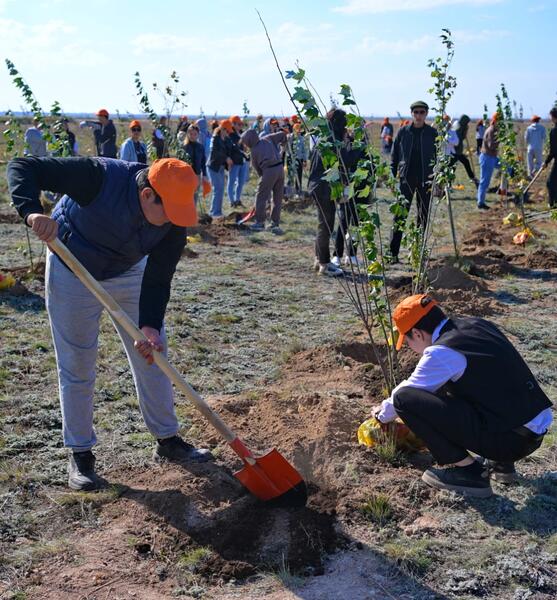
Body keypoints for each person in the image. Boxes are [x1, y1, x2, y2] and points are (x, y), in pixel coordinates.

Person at [7, 155, 212, 491]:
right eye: (168, 211)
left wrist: (149, 326)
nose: (173, 220)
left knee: (154, 354)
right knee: (77, 362)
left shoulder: (173, 221)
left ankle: (168, 440)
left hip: (128, 271)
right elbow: (23, 166)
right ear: (147, 194)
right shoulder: (98, 178)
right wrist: (31, 212)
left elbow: (159, 277)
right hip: (72, 266)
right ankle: (80, 455)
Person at [372, 295, 553, 497]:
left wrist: (380, 415)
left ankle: (470, 473)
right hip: (532, 431)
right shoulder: (478, 325)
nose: (410, 348)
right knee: (460, 383)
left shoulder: (442, 352)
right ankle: (502, 465)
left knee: (403, 399)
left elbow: (406, 392)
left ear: (417, 333)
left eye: (407, 341)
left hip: (510, 441)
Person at [307, 108, 361, 276]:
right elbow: (346, 160)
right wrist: (359, 147)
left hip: (318, 186)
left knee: (323, 225)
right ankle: (324, 264)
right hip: (324, 188)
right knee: (326, 226)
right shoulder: (333, 141)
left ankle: (319, 259)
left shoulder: (324, 138)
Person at [389, 100, 437, 262]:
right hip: (406, 179)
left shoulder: (432, 133)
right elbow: (394, 155)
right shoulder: (403, 132)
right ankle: (392, 253)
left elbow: (439, 157)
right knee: (400, 216)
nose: (418, 115)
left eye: (422, 112)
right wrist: (392, 175)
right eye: (416, 112)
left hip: (426, 180)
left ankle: (417, 254)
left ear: (426, 114)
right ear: (411, 114)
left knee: (422, 217)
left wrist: (437, 179)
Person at [240, 127, 286, 234]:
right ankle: (275, 223)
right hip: (280, 169)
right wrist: (283, 145)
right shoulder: (267, 138)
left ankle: (260, 222)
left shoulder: (254, 151)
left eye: (245, 142)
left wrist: (264, 182)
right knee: (277, 197)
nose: (245, 145)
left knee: (261, 196)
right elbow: (282, 134)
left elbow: (258, 170)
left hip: (269, 170)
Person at [207, 120, 233, 218]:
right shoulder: (215, 139)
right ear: (222, 129)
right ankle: (214, 213)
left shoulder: (226, 139)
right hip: (213, 167)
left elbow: (229, 151)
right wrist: (226, 158)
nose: (228, 133)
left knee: (220, 190)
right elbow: (214, 153)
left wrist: (228, 162)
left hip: (221, 167)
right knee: (217, 189)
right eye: (227, 131)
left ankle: (217, 211)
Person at [477, 113, 500, 210]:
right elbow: (491, 145)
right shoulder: (491, 131)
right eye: (499, 121)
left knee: (507, 167)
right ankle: (480, 203)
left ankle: (511, 177)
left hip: (492, 157)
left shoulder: (495, 130)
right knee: (484, 181)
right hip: (487, 158)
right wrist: (500, 139)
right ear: (495, 121)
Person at [182, 123, 209, 206]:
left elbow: (203, 162)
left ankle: (193, 212)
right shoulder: (184, 147)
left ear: (198, 135)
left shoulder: (200, 147)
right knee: (186, 197)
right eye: (191, 134)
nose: (193, 136)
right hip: (186, 176)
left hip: (197, 175)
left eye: (195, 134)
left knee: (195, 196)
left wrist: (204, 175)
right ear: (187, 134)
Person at [450, 115, 479, 187]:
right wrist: (465, 131)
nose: (467, 124)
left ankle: (472, 177)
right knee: (452, 167)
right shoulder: (458, 128)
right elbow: (458, 139)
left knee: (465, 162)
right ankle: (447, 184)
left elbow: (462, 137)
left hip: (458, 152)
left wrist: (465, 130)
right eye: (467, 123)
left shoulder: (462, 127)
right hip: (455, 152)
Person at [227, 115, 248, 208]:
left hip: (242, 160)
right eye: (239, 124)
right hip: (234, 161)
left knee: (241, 182)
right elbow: (233, 148)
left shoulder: (241, 133)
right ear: (233, 124)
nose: (241, 126)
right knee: (231, 182)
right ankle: (232, 201)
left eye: (241, 124)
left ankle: (237, 200)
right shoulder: (230, 135)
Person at [544, 107, 557, 208]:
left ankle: (553, 204)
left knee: (550, 182)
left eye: (551, 117)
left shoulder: (554, 131)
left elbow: (553, 151)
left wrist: (546, 162)